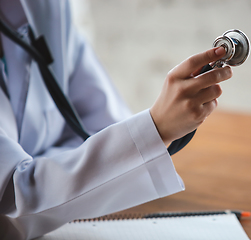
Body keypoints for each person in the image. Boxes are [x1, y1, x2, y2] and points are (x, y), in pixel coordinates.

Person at [0, 0, 232, 239]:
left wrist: (58, 179)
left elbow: (100, 127)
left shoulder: (47, 6)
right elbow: (12, 205)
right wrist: (156, 130)